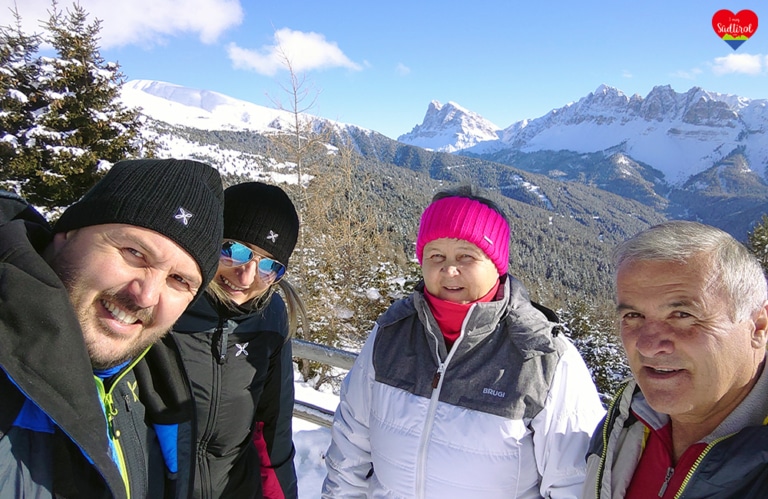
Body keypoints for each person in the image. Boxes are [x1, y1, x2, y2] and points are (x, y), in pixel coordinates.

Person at [322, 185, 606, 498]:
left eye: (466, 256)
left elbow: (574, 484)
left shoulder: (541, 355)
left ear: (496, 265)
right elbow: (351, 446)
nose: (449, 269)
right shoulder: (392, 332)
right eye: (436, 255)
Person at [0, 158, 225, 499]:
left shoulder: (152, 387)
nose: (146, 296)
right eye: (134, 252)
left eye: (179, 280)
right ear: (68, 232)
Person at [582, 220, 768, 498]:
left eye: (682, 315)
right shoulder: (624, 423)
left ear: (758, 327)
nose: (648, 345)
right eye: (633, 316)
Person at [172, 181, 307, 499]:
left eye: (269, 265)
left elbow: (272, 431)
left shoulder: (271, 317)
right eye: (234, 251)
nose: (246, 276)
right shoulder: (164, 305)